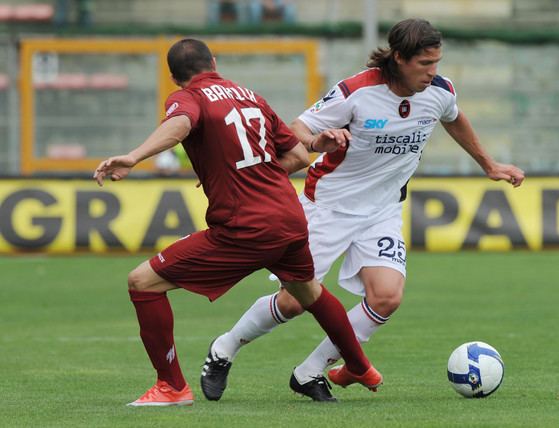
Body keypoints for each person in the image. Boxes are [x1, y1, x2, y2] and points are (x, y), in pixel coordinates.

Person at [201, 18, 526, 402]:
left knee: (387, 296)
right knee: (294, 300)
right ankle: (223, 350)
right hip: (330, 206)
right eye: (425, 64)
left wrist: (489, 165)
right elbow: (296, 128)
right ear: (400, 58)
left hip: (383, 209)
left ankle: (309, 372)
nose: (433, 72)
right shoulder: (356, 91)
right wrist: (319, 140)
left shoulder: (440, 91)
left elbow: (454, 118)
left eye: (437, 62)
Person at [93, 38, 382, 407]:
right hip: (289, 217)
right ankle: (359, 365)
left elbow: (180, 124)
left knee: (143, 282)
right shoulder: (250, 96)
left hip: (244, 226)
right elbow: (296, 154)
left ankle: (171, 387)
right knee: (308, 292)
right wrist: (247, 173)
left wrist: (133, 157)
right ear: (213, 61)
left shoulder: (188, 97)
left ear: (173, 78)